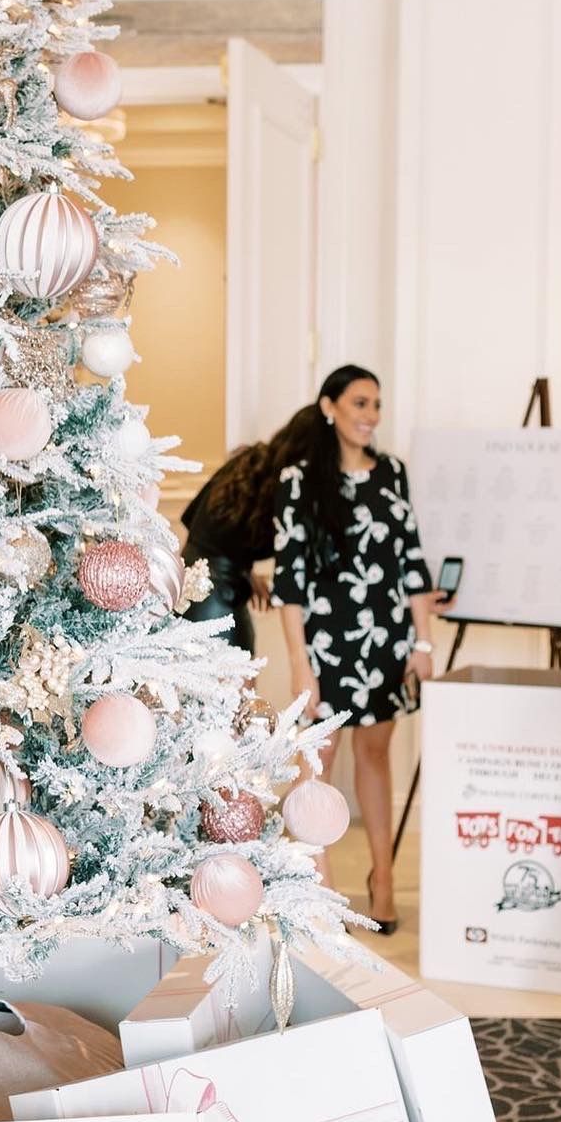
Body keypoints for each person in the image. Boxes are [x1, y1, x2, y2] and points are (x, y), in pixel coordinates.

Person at [270, 365, 440, 934]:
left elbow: (412, 561)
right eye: (360, 403)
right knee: (316, 762)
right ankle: (318, 882)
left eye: (377, 405)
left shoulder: (392, 473)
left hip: (386, 637)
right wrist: (300, 662)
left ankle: (383, 879)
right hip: (325, 641)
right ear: (330, 407)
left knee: (375, 755)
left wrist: (422, 641)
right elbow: (290, 581)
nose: (371, 416)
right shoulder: (297, 480)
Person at [180, 425, 312, 653]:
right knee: (232, 673)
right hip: (218, 603)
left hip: (188, 586)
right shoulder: (287, 489)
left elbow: (194, 520)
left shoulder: (249, 463)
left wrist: (245, 573)